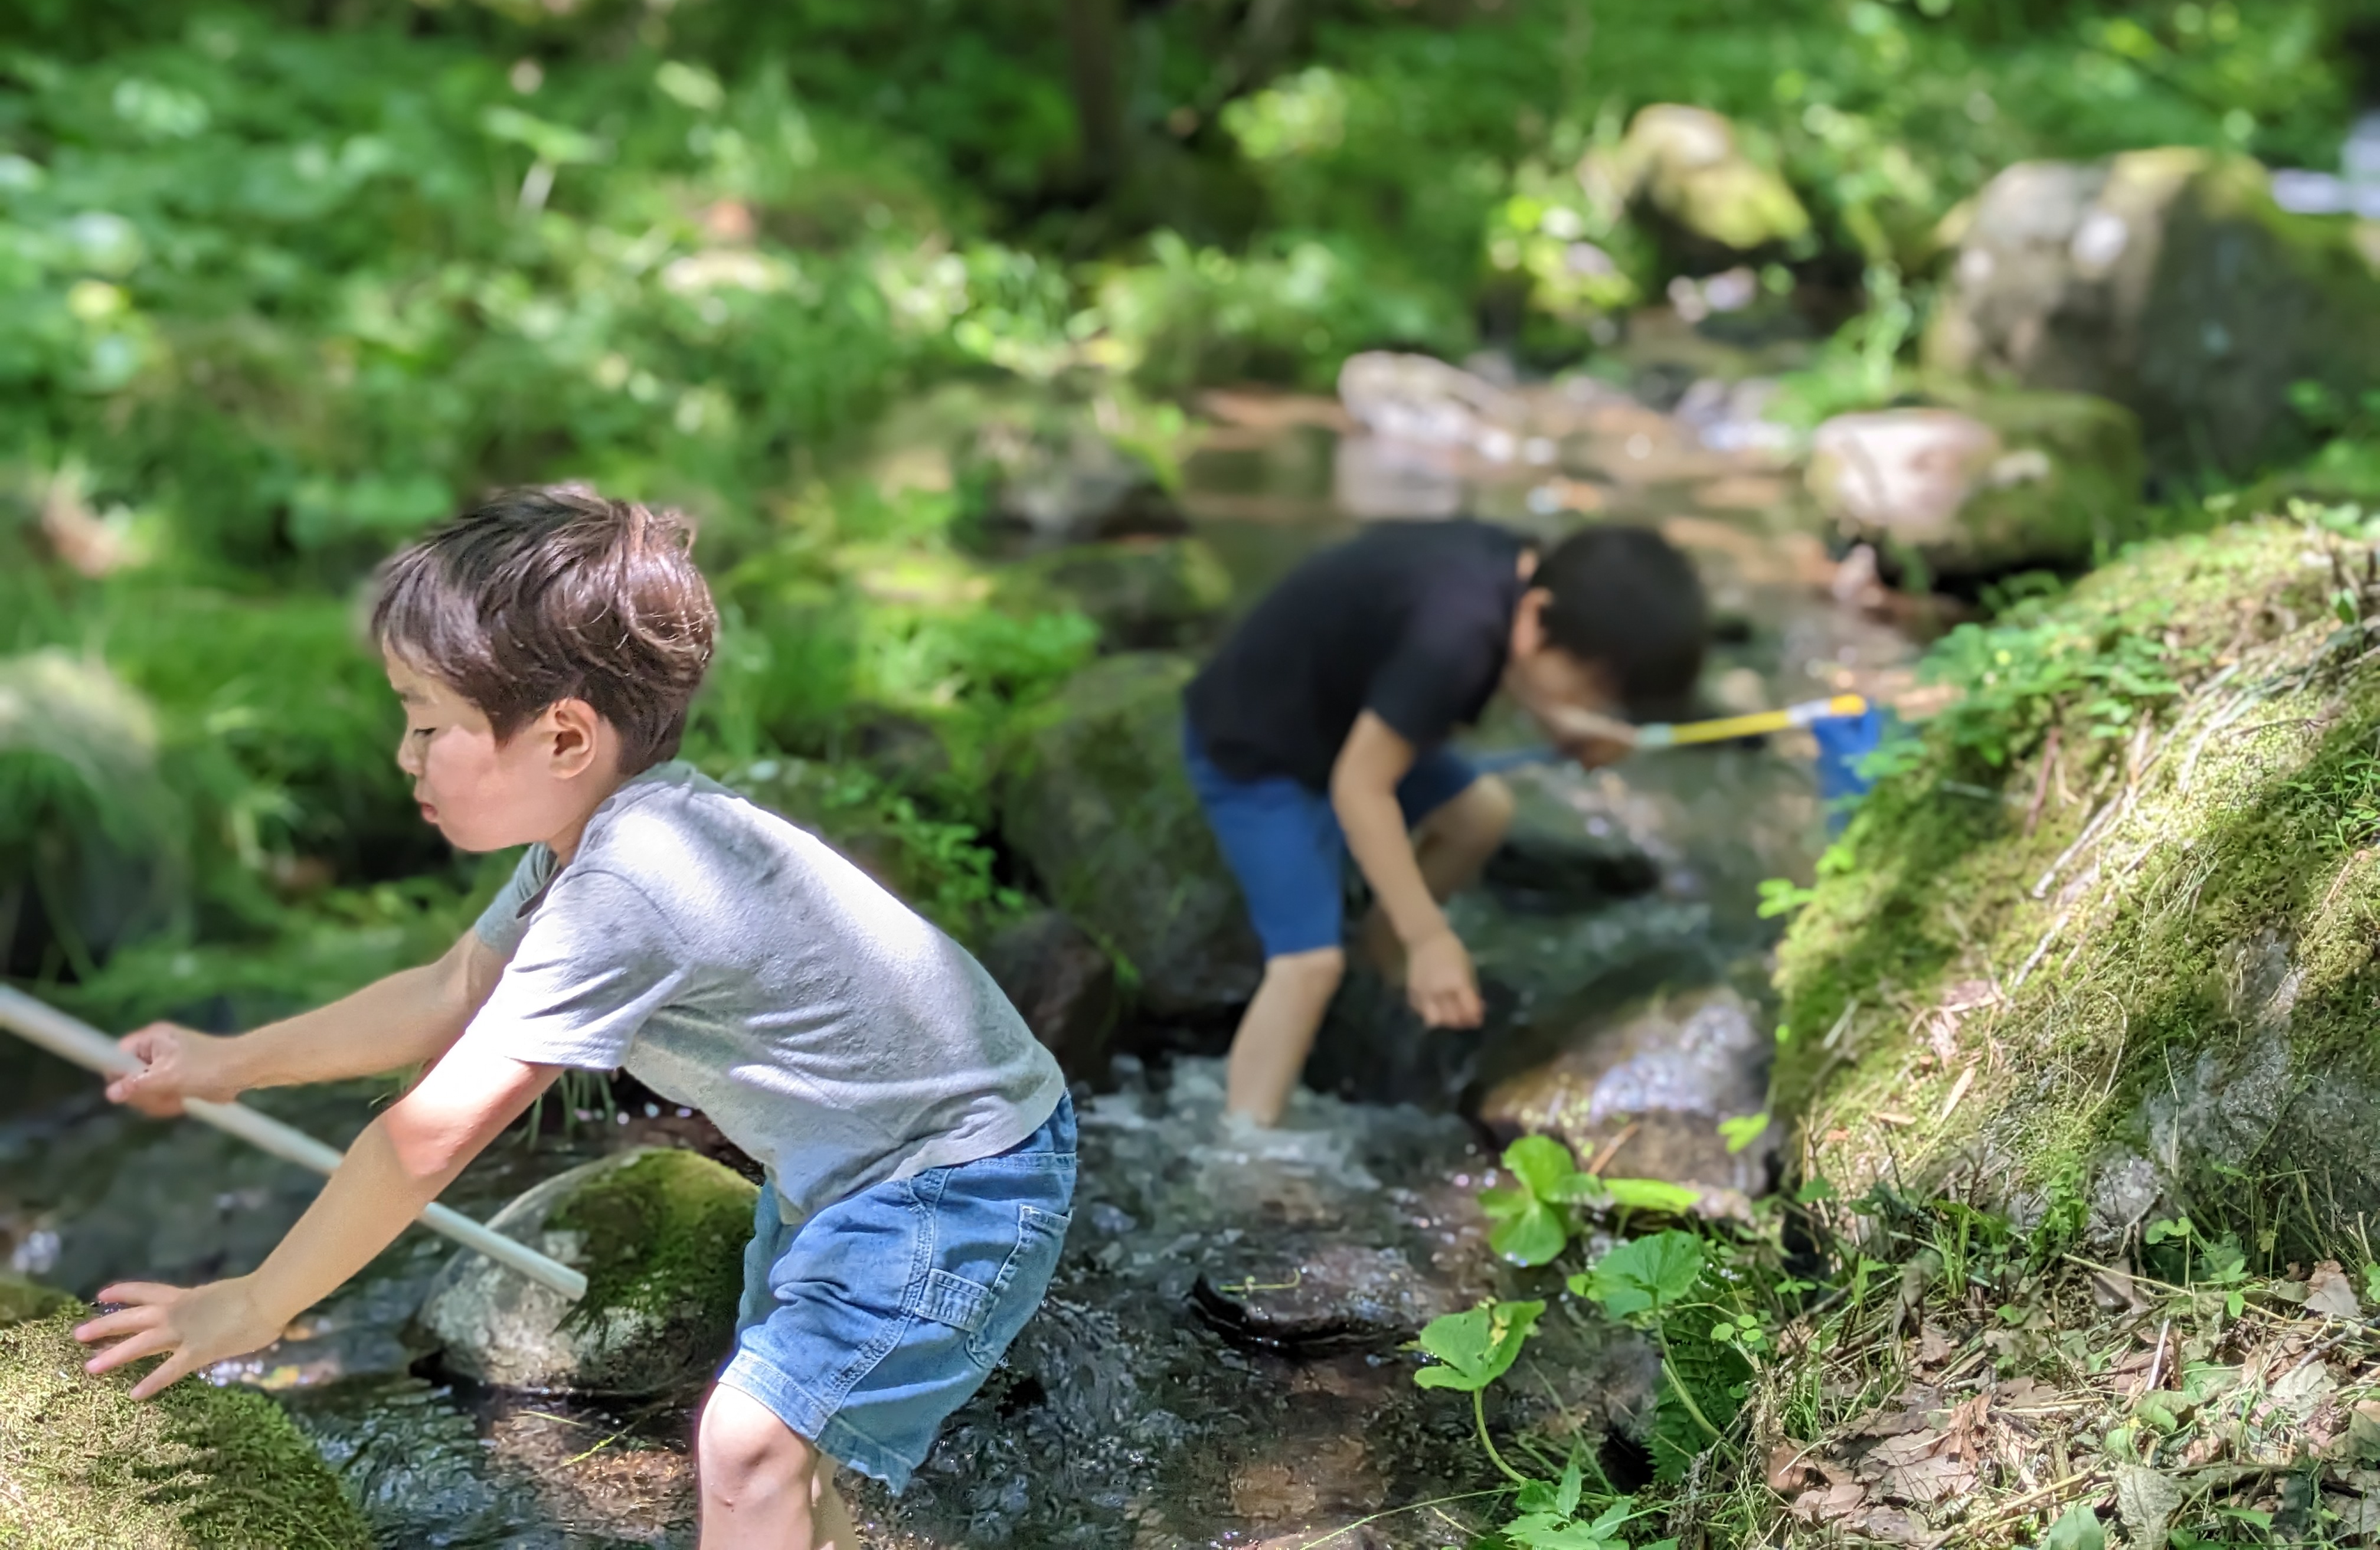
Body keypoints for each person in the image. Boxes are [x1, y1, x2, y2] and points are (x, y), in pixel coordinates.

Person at [75, 485, 1074, 1550]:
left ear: (563, 736)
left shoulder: (632, 883)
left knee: (748, 1443)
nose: (403, 755)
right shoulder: (593, 843)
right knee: (788, 1448)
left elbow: (430, 1134)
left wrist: (259, 1302)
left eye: (426, 723)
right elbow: (448, 994)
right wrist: (232, 1060)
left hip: (952, 1179)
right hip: (860, 1169)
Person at [1183, 518, 1706, 1126]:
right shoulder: (1454, 635)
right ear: (1538, 615)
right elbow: (1360, 789)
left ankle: (1375, 963)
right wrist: (1429, 936)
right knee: (1307, 965)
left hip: (1348, 725)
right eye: (1591, 686)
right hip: (1259, 752)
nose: (1592, 704)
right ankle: (1244, 1140)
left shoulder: (1514, 573)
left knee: (1481, 814)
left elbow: (1499, 666)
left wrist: (1558, 721)